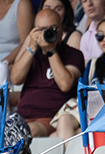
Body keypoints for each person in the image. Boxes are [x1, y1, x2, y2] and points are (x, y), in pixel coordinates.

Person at [11, 8, 84, 137]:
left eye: (53, 29)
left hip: (51, 118)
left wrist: (51, 51)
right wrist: (32, 46)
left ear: (61, 32)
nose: (47, 33)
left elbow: (65, 84)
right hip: (22, 117)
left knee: (28, 131)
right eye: (41, 29)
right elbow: (15, 79)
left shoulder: (74, 54)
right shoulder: (31, 54)